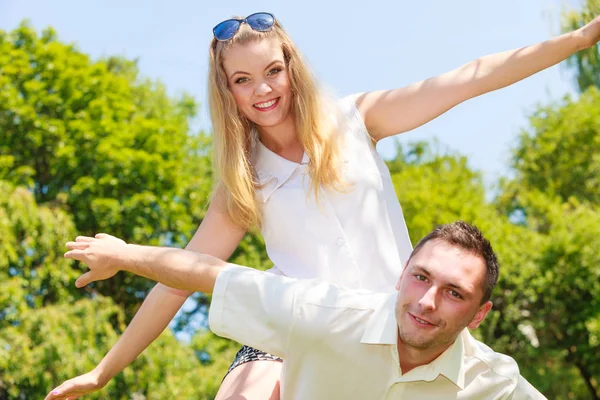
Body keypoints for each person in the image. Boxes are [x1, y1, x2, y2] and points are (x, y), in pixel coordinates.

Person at [47, 11, 599, 400]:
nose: (262, 90)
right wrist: (104, 369)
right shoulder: (245, 184)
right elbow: (179, 279)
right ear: (227, 91)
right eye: (243, 80)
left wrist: (579, 39)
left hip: (400, 334)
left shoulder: (357, 120)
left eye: (272, 71)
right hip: (298, 333)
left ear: (291, 66)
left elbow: (469, 79)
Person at [47, 221, 545, 399]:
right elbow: (209, 272)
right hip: (276, 360)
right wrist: (121, 255)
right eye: (420, 278)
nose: (428, 301)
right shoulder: (327, 313)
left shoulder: (495, 384)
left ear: (479, 316)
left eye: (455, 293)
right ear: (401, 277)